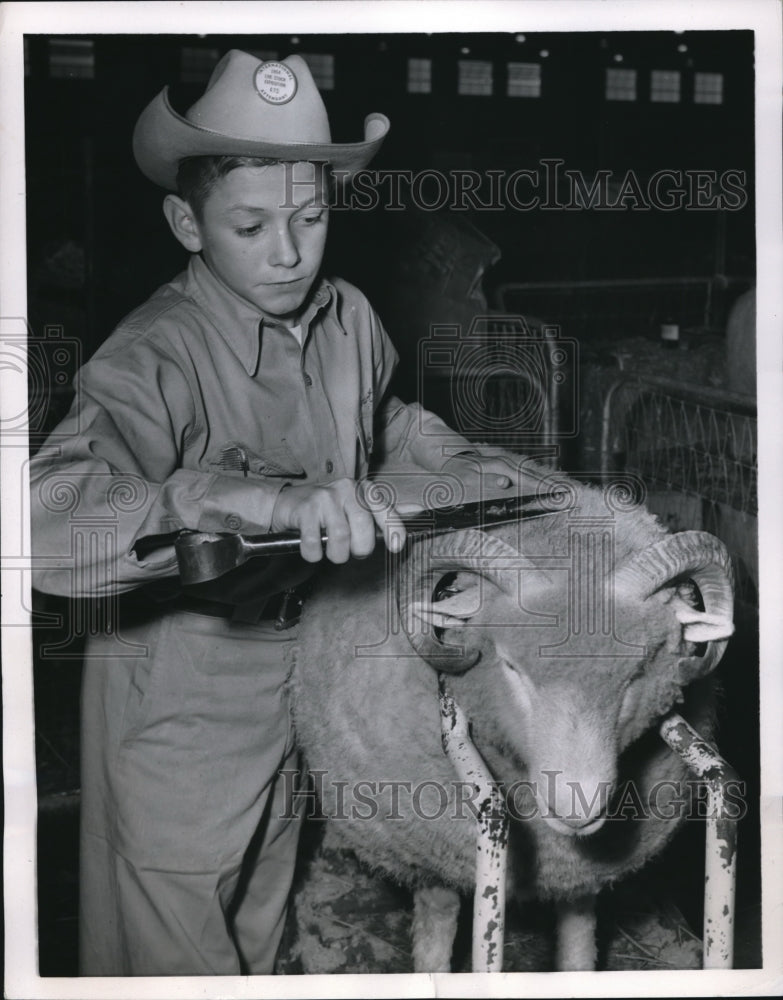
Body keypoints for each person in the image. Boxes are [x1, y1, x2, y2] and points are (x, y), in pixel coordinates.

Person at [29, 49, 520, 976]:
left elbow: (381, 424)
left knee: (261, 913)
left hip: (301, 679)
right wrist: (236, 493)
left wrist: (464, 463)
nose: (288, 252)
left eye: (311, 217)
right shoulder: (154, 353)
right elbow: (45, 517)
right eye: (251, 225)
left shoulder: (350, 318)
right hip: (179, 700)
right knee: (174, 950)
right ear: (186, 221)